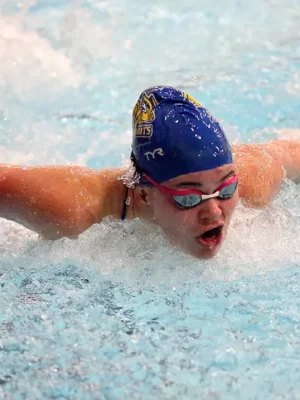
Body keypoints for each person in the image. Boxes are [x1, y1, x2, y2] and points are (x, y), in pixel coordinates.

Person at [0, 86, 299, 259]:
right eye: (188, 197)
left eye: (225, 190)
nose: (213, 212)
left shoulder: (255, 178)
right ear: (143, 193)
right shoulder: (76, 209)